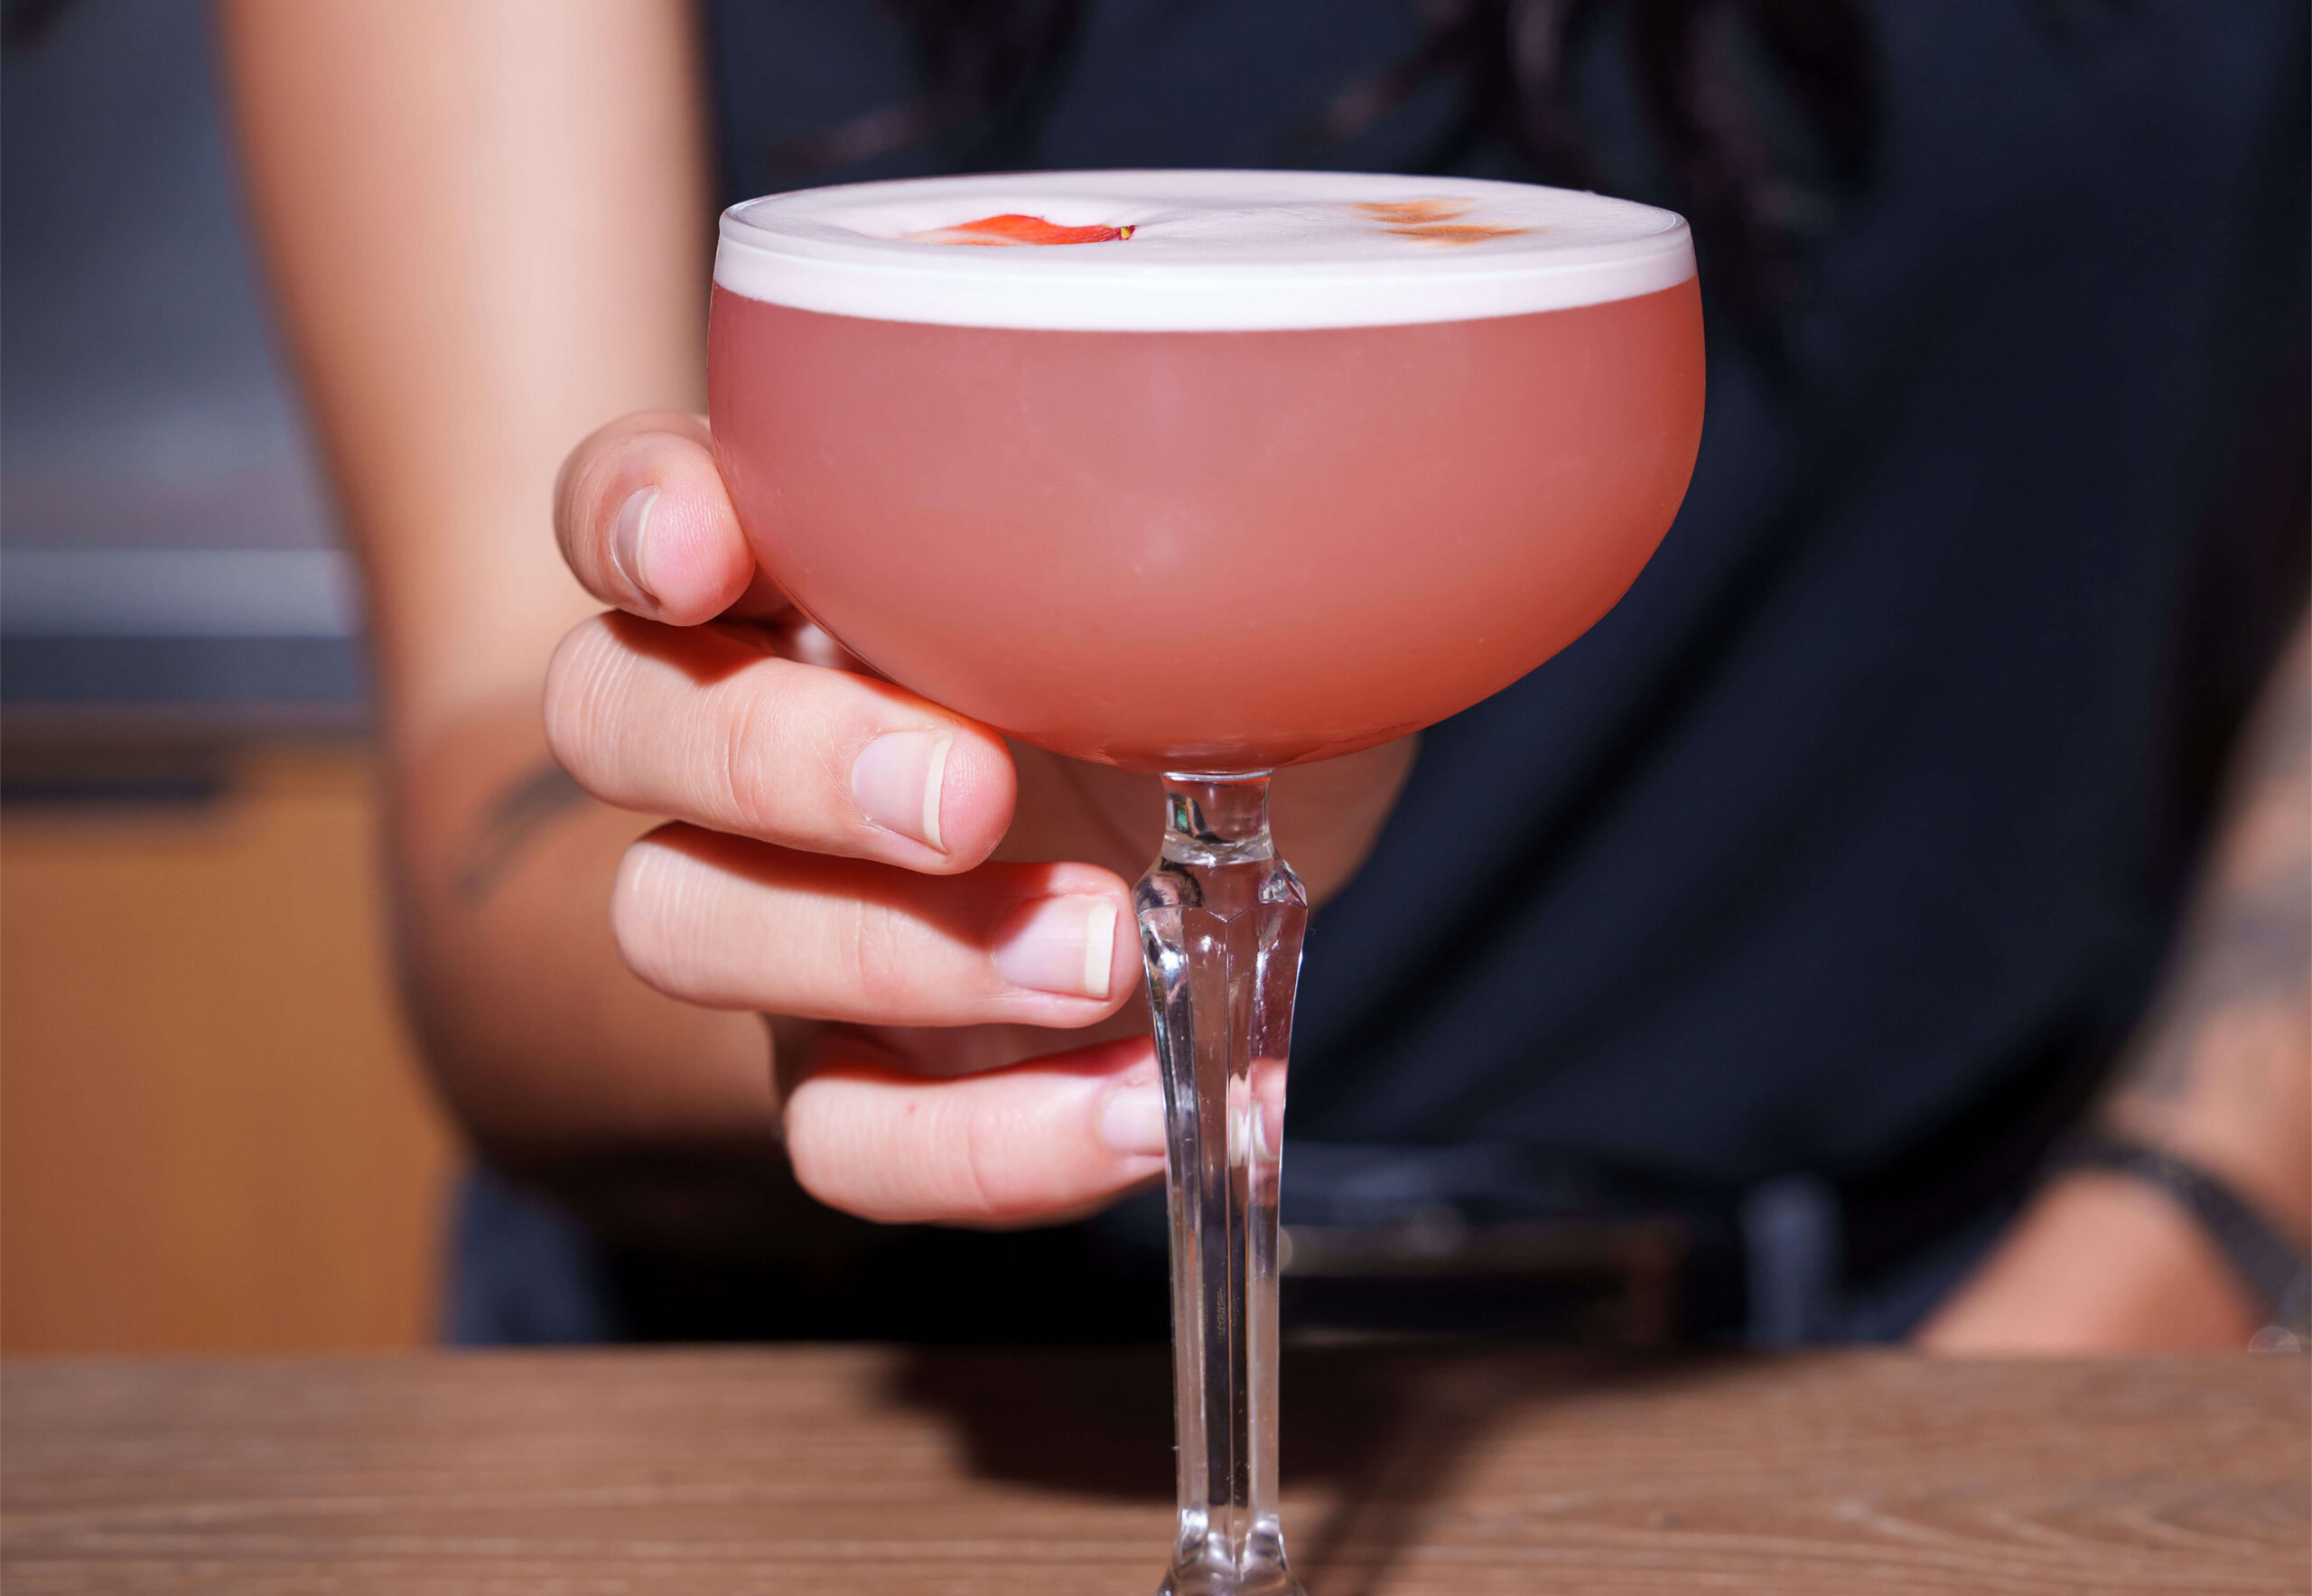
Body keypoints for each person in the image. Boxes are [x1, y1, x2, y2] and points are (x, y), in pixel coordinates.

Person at [217, 0, 2307, 1349]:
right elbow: (498, 788)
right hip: (847, 1432)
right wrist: (905, 932)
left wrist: (2174, 1245)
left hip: (1937, 1337)